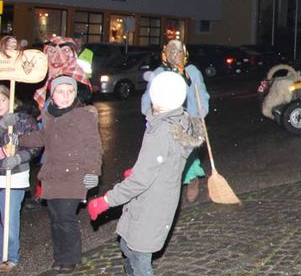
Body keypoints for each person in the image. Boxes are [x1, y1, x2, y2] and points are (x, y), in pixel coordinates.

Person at [88, 72, 204, 276]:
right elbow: (168, 159)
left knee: (140, 257)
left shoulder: (161, 132)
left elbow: (140, 181)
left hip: (151, 203)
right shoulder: (179, 120)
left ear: (155, 98)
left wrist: (106, 201)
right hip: (160, 195)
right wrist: (144, 168)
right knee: (127, 244)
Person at [1, 76, 102, 274]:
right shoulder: (50, 115)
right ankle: (60, 256)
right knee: (56, 218)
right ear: (52, 95)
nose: (65, 96)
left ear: (75, 94)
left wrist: (93, 171)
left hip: (74, 175)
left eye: (70, 92)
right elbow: (42, 137)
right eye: (60, 92)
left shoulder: (83, 116)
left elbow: (93, 145)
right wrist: (19, 139)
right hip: (53, 175)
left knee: (66, 218)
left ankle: (70, 258)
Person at [141, 40, 209, 203]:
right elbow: (148, 96)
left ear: (184, 54)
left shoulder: (191, 71)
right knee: (166, 154)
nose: (175, 55)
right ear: (165, 54)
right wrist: (148, 113)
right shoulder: (159, 73)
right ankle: (169, 185)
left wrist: (202, 108)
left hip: (188, 117)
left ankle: (192, 180)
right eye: (172, 52)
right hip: (166, 119)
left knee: (188, 152)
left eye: (178, 52)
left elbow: (201, 92)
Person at [0, 86, 40, 272]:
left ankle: (9, 257)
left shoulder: (24, 120)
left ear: (11, 100)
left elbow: (34, 146)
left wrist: (17, 158)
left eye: (2, 100)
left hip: (14, 177)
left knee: (9, 217)